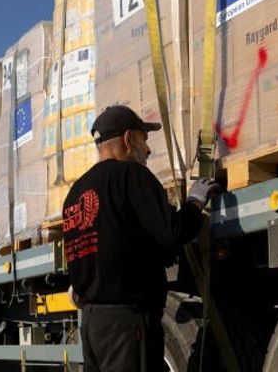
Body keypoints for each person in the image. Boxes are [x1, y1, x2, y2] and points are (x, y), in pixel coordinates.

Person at [63, 105, 220, 372]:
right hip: (126, 324)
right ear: (128, 139)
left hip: (92, 325)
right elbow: (171, 233)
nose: (147, 150)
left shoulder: (75, 194)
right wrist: (194, 203)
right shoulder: (132, 175)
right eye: (144, 139)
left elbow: (113, 246)